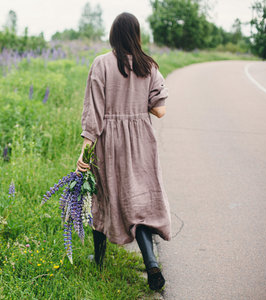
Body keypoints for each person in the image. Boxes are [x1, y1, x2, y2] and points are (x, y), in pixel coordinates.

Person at [76, 12, 171, 291]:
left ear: (114, 35)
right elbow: (161, 111)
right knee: (139, 202)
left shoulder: (101, 64)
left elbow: (93, 112)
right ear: (137, 34)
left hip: (109, 141)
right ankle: (151, 263)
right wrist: (138, 105)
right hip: (141, 139)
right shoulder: (149, 66)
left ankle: (100, 259)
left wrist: (84, 152)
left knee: (103, 197)